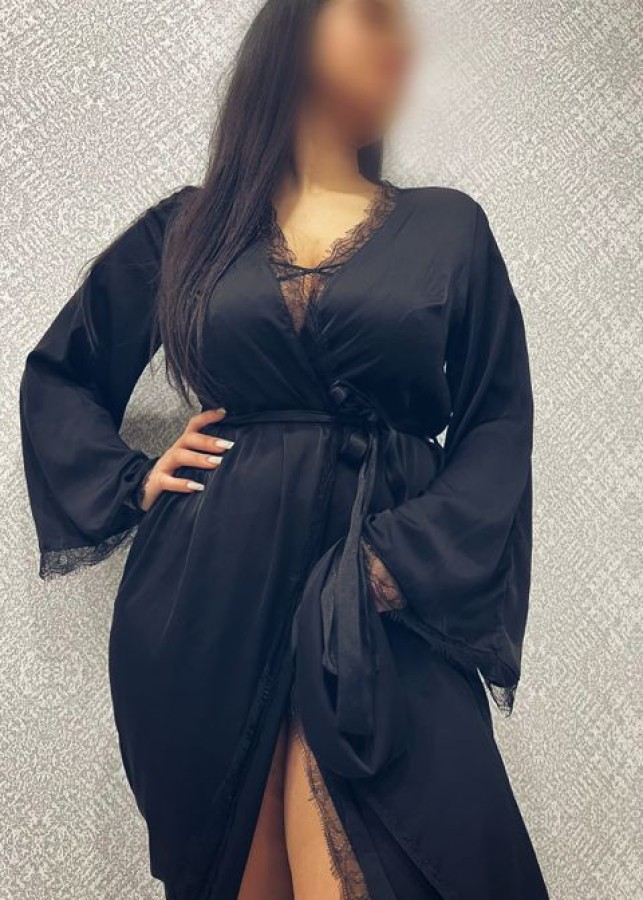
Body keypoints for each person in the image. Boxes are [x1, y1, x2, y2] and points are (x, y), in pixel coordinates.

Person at [20, 0, 549, 897]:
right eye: (372, 15)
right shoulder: (188, 229)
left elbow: (498, 423)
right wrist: (131, 480)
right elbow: (59, 375)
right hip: (203, 602)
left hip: (378, 600)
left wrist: (400, 561)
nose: (400, 42)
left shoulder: (448, 228)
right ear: (295, 31)